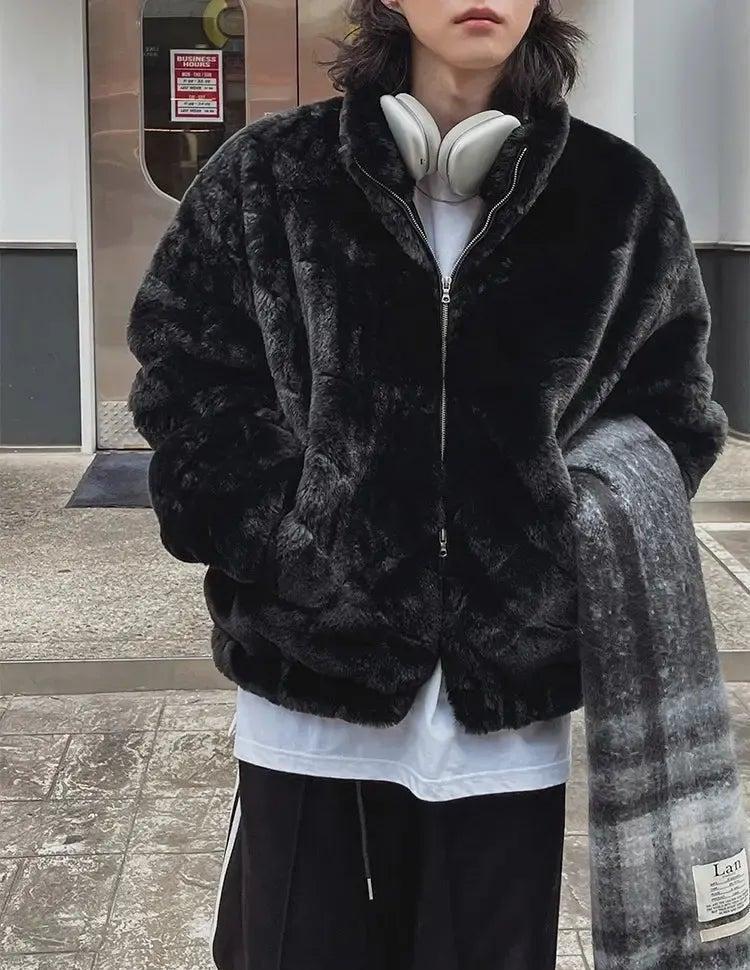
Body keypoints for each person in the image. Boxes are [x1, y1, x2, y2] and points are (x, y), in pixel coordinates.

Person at [126, 1, 728, 968]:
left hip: (506, 712)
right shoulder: (267, 176)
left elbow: (672, 417)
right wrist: (290, 546)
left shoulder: (619, 197)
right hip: (310, 695)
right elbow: (188, 384)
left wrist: (548, 553)